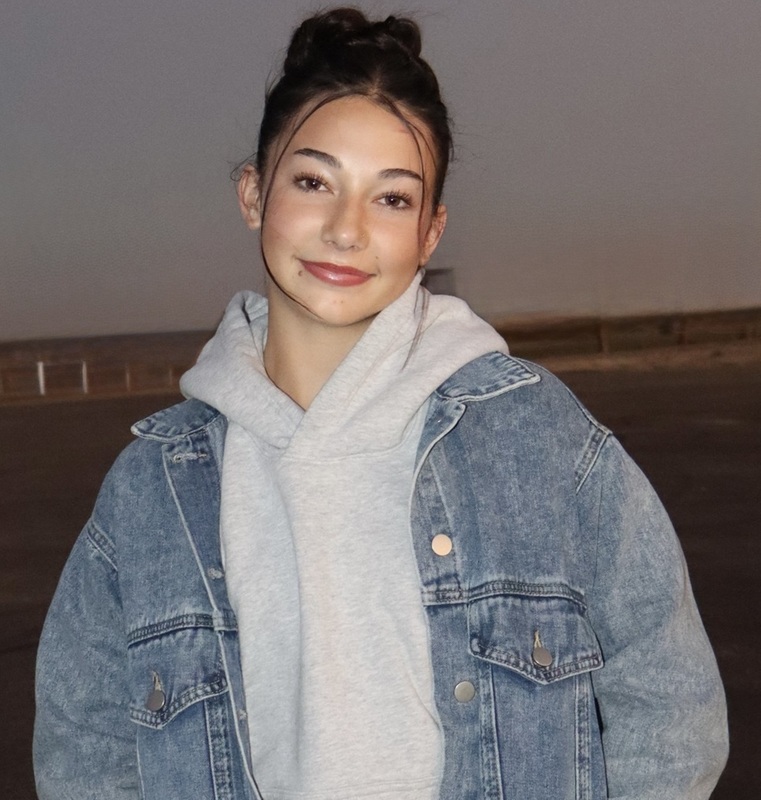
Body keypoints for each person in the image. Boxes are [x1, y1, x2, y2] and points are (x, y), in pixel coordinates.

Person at [34, 7, 728, 800]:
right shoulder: (150, 488)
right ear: (253, 193)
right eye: (312, 182)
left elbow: (670, 702)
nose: (345, 229)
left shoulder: (535, 437)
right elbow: (83, 746)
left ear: (430, 232)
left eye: (391, 199)